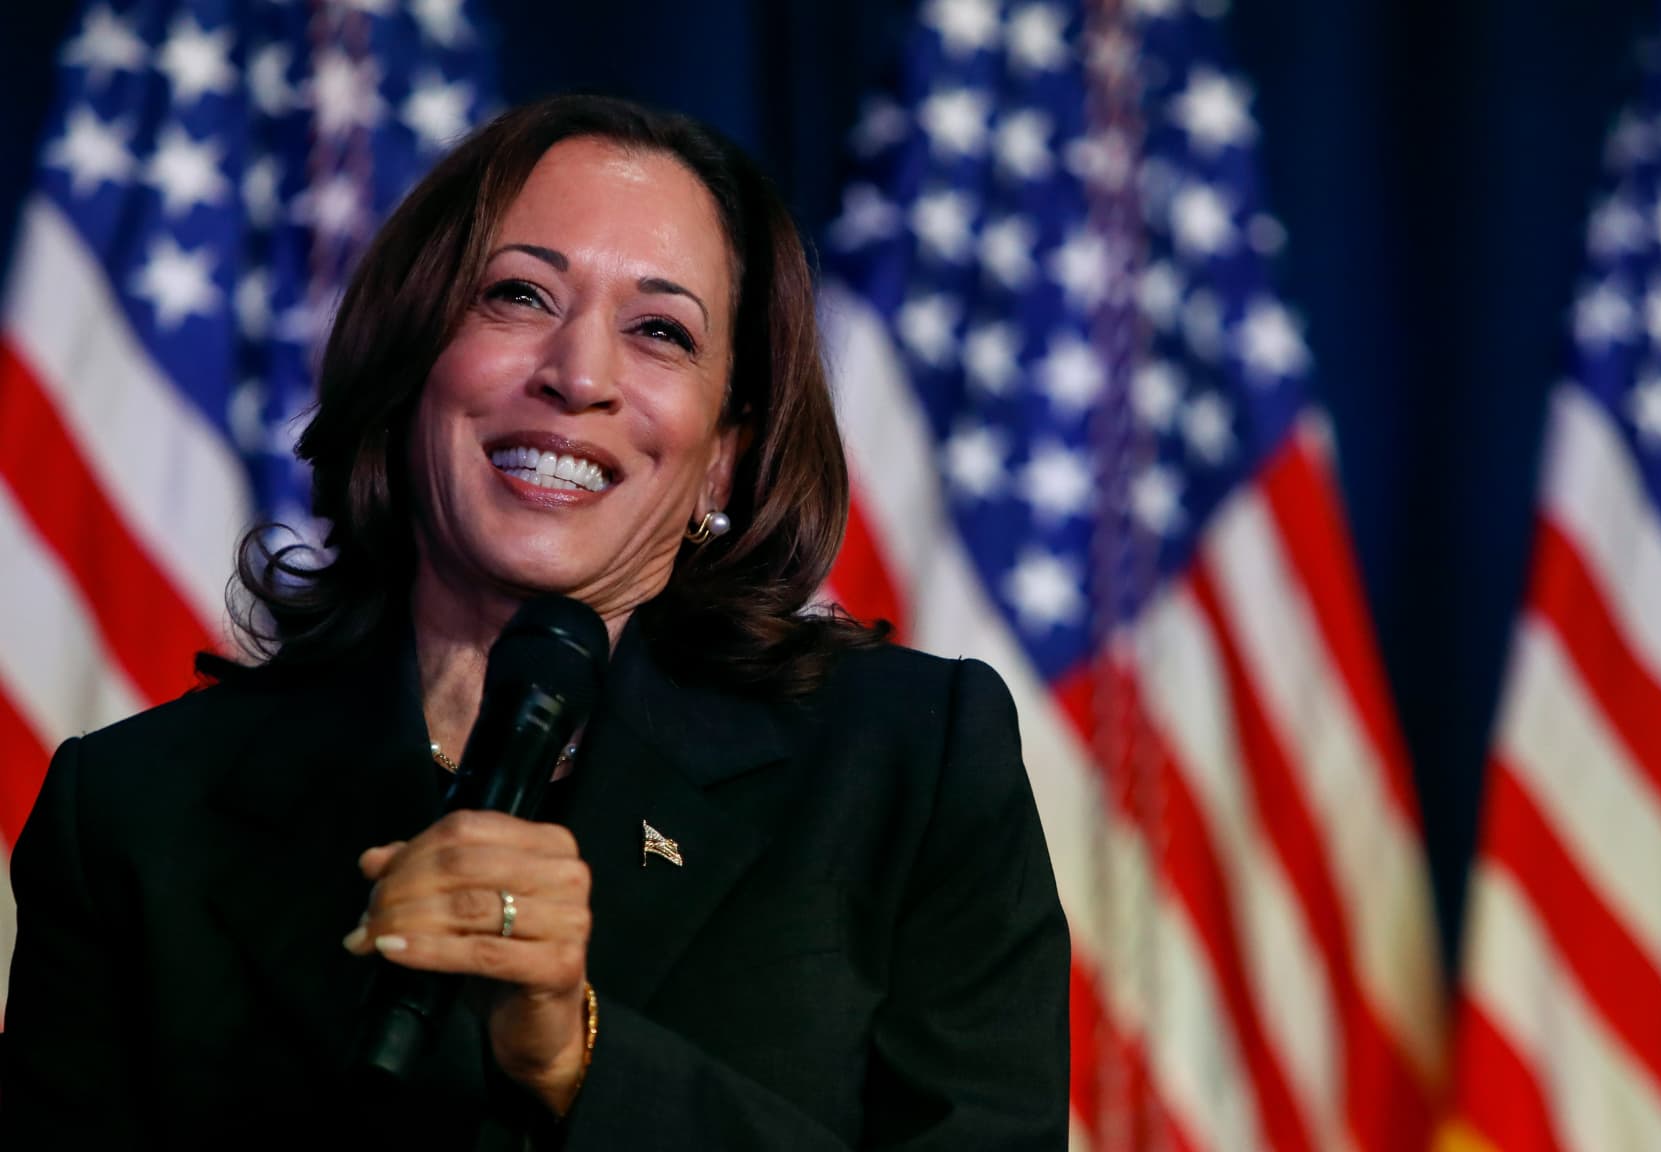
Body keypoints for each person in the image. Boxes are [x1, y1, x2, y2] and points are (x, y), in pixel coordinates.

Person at [2, 94, 1070, 1148]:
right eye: (518, 296)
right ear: (412, 360)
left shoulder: (908, 768)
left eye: (660, 330)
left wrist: (579, 1057)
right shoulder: (137, 818)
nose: (579, 375)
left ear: (726, 453)